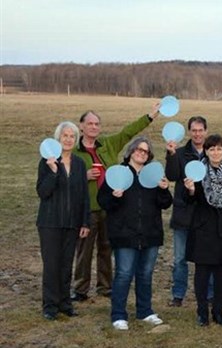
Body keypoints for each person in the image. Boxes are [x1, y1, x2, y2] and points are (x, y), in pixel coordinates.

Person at [72, 105, 160, 302]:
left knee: (106, 247)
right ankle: (80, 288)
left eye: (97, 124)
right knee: (84, 251)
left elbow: (128, 132)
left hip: (112, 207)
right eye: (90, 124)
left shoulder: (108, 144)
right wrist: (83, 176)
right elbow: (66, 175)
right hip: (88, 209)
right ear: (81, 127)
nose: (94, 127)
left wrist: (149, 117)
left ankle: (105, 286)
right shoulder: (75, 152)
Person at [97, 136, 173, 331]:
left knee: (146, 274)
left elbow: (164, 203)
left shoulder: (153, 176)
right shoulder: (117, 174)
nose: (141, 152)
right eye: (138, 149)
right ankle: (118, 314)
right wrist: (114, 197)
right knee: (123, 274)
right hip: (124, 233)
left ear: (149, 156)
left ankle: (145, 311)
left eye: (145, 151)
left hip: (150, 233)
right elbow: (103, 201)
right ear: (131, 151)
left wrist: (164, 190)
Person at [183, 134, 222, 327]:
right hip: (203, 229)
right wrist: (191, 189)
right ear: (206, 151)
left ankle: (219, 312)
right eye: (211, 149)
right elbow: (189, 201)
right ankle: (202, 312)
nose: (215, 152)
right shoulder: (198, 170)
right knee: (201, 274)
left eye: (219, 149)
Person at [36, 121, 90, 320]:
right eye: (64, 136)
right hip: (50, 222)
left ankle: (65, 303)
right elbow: (43, 192)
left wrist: (85, 222)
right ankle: (50, 305)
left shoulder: (79, 163)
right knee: (52, 265)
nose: (68, 139)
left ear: (75, 140)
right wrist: (53, 171)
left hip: (72, 223)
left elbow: (84, 195)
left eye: (72, 136)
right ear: (58, 138)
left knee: (67, 264)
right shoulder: (47, 162)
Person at [164, 115, 209, 307]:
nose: (197, 134)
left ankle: (208, 293)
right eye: (194, 130)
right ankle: (178, 294)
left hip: (205, 214)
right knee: (180, 258)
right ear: (189, 132)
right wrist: (171, 156)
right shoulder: (181, 153)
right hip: (183, 212)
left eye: (201, 130)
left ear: (206, 131)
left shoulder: (213, 152)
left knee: (206, 256)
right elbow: (172, 175)